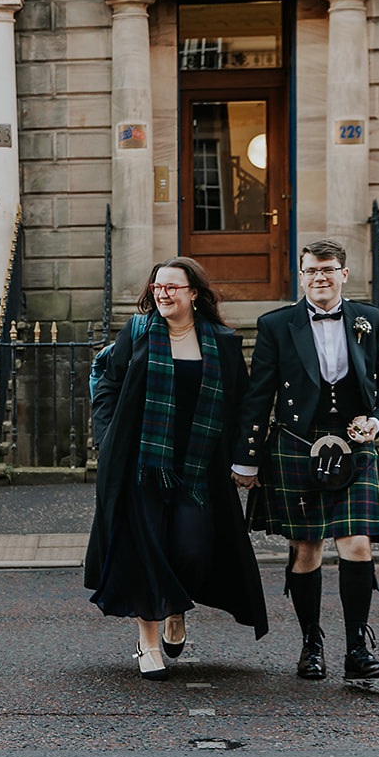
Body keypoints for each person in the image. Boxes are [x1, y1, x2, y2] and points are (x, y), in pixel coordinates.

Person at [87, 257, 269, 680]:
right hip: (140, 463)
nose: (163, 294)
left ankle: (174, 609)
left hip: (199, 465)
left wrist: (246, 456)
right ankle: (147, 645)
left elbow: (242, 402)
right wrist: (107, 437)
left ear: (194, 293)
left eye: (172, 287)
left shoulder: (221, 341)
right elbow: (108, 382)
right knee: (143, 550)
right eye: (157, 287)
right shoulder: (136, 333)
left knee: (192, 547)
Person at [232, 239, 379, 681]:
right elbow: (257, 396)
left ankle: (356, 648)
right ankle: (312, 642)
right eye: (311, 270)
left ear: (344, 274)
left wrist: (376, 421)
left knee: (357, 544)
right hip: (296, 444)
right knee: (306, 549)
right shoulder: (276, 324)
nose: (319, 278)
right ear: (301, 276)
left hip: (354, 445)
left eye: (328, 269)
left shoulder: (370, 318)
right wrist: (247, 460)